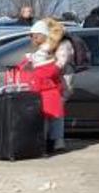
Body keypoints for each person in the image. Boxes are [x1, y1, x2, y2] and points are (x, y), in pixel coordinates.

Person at [25, 19, 72, 154]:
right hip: (49, 83)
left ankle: (56, 140)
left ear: (43, 34)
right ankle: (50, 140)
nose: (32, 38)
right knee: (49, 112)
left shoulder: (59, 45)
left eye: (35, 35)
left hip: (59, 83)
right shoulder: (45, 46)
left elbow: (59, 65)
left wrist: (43, 66)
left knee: (56, 113)